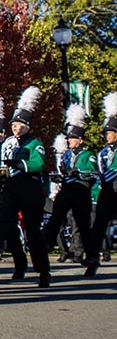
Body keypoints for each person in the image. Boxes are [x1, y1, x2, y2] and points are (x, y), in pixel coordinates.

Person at [0, 86, 50, 288]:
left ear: (28, 127)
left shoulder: (34, 143)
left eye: (20, 125)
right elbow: (1, 166)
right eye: (14, 124)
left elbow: (39, 162)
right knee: (3, 220)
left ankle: (43, 271)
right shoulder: (8, 144)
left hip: (30, 187)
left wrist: (20, 164)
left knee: (33, 230)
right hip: (10, 186)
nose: (16, 128)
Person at [42, 105, 96, 268]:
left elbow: (91, 172)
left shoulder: (88, 154)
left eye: (73, 138)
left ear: (80, 140)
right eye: (69, 138)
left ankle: (82, 253)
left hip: (81, 191)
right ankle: (47, 243)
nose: (70, 141)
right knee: (56, 217)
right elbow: (64, 172)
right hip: (66, 190)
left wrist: (75, 171)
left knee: (80, 224)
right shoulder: (66, 155)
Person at [87, 92, 117, 276]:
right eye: (106, 133)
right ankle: (93, 257)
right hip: (106, 190)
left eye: (110, 132)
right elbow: (101, 170)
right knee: (98, 224)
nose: (106, 136)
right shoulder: (102, 153)